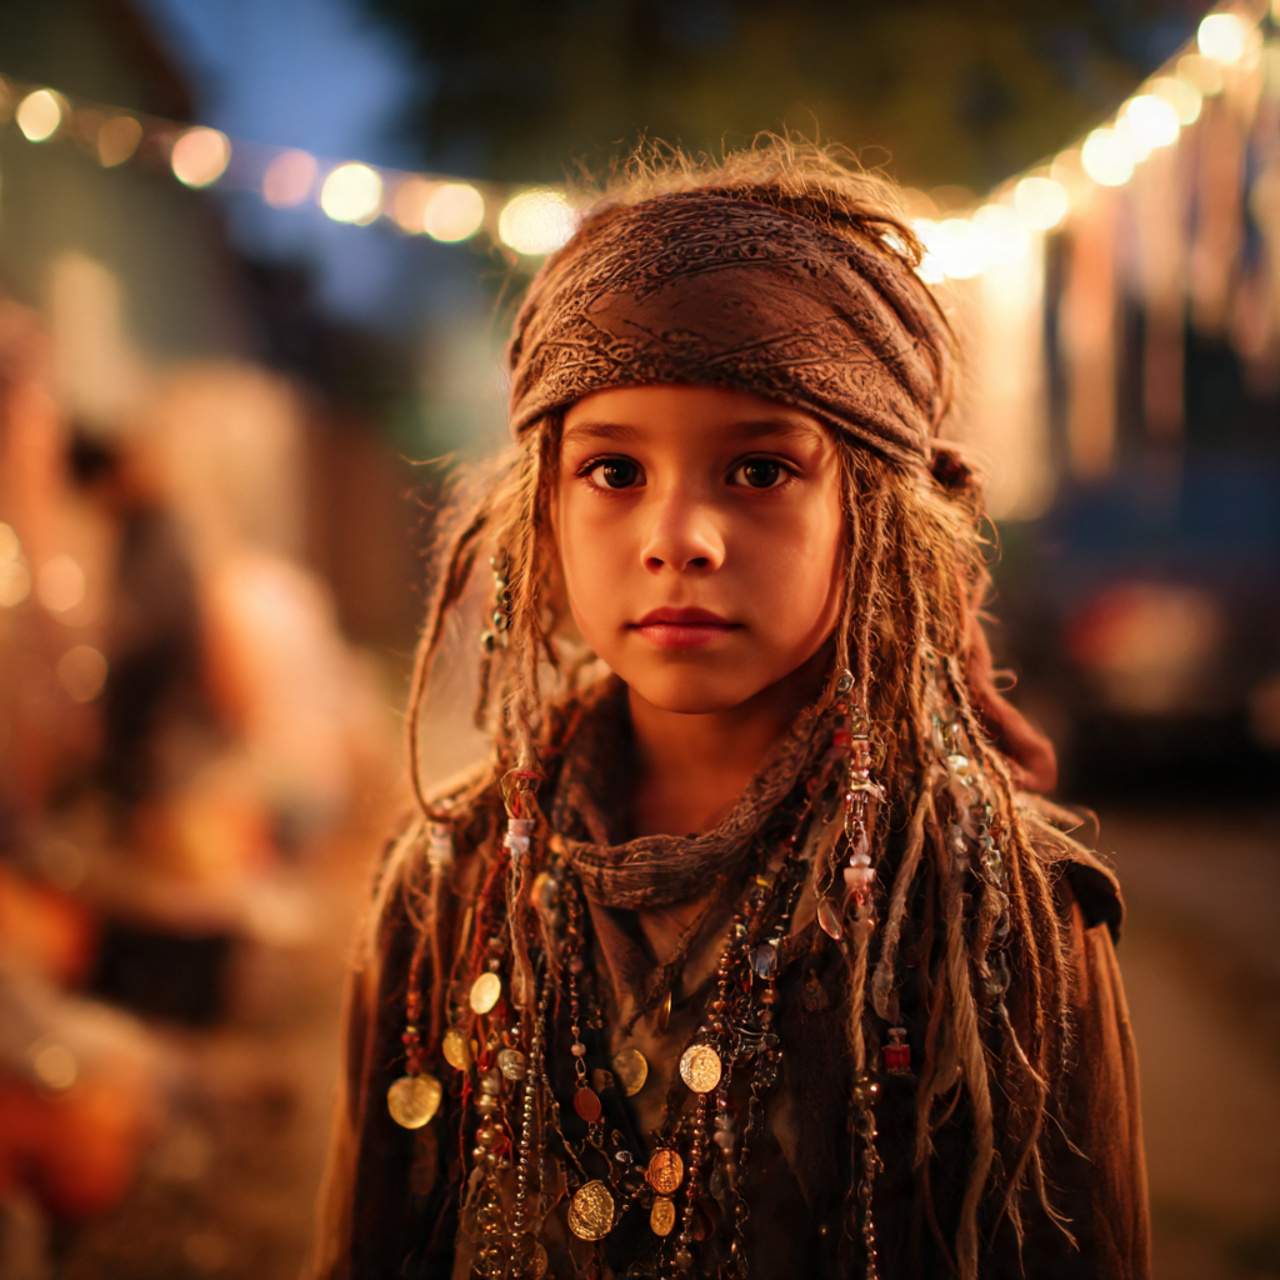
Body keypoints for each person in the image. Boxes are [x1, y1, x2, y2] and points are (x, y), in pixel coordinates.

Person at [310, 142, 1149, 1280]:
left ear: (877, 519)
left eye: (757, 471)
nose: (678, 537)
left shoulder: (994, 910)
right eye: (613, 472)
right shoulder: (450, 883)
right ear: (541, 514)